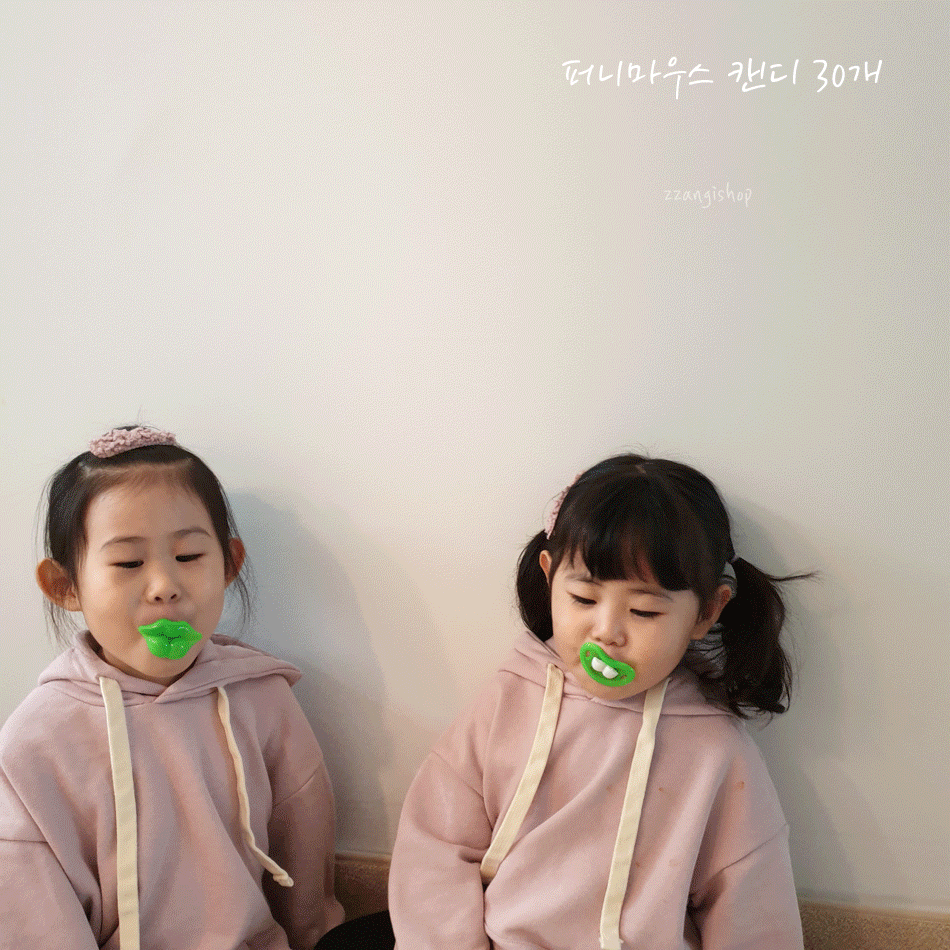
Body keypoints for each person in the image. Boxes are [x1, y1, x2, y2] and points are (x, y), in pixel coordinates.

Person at [389, 453, 808, 950]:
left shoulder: (715, 747)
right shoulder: (507, 700)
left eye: (644, 610)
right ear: (550, 577)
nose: (606, 632)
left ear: (707, 612)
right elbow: (435, 848)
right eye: (584, 600)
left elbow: (752, 905)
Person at [0, 426, 345, 949]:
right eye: (128, 563)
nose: (165, 587)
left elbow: (307, 881)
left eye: (188, 557)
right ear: (65, 586)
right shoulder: (34, 743)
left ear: (229, 564)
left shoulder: (263, 697)